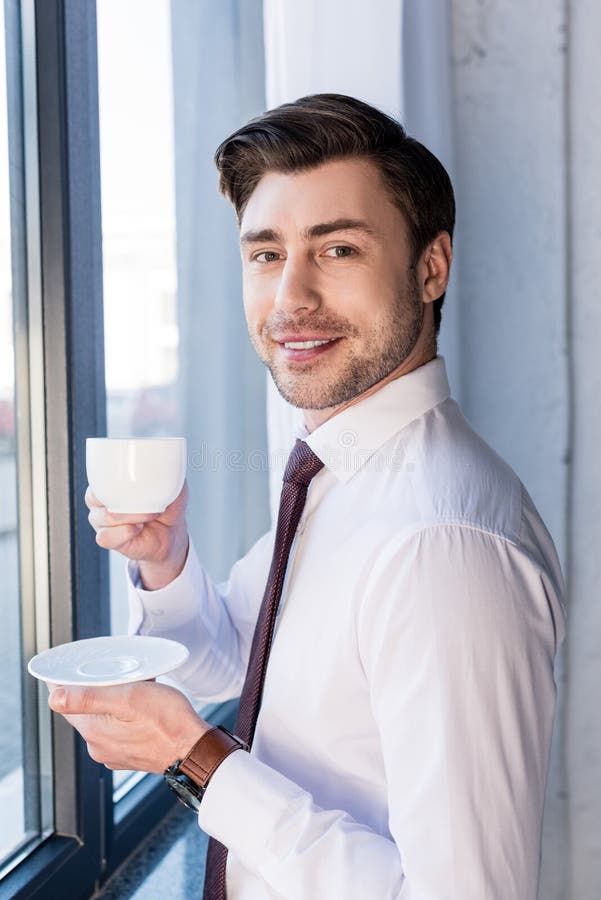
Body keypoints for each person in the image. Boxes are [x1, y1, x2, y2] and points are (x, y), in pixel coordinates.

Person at [50, 94, 566, 899]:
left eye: (336, 251)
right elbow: (237, 666)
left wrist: (197, 759)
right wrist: (165, 559)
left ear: (429, 267)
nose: (290, 298)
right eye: (265, 254)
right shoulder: (346, 472)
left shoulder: (438, 541)